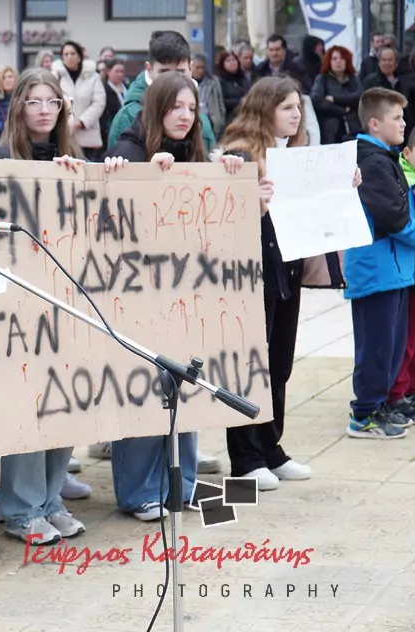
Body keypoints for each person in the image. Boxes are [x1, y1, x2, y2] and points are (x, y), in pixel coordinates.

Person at [102, 72, 243, 520]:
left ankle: (181, 486)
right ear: (156, 109)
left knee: (185, 386)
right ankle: (139, 491)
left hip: (187, 294)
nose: (185, 116)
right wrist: (142, 174)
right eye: (175, 107)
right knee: (145, 391)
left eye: (191, 108)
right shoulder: (129, 150)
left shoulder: (194, 153)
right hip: (139, 294)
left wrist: (230, 173)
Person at [216, 76, 345, 489]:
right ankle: (246, 459)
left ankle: (271, 449)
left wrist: (343, 186)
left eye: (298, 107)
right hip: (250, 274)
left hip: (286, 269)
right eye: (287, 107)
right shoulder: (240, 155)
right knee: (249, 366)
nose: (297, 114)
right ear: (264, 108)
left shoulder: (293, 153)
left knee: (279, 364)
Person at [0, 67, 91, 542]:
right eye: (34, 101)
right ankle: (23, 510)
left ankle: (51, 500)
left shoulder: (75, 156)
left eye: (53, 101)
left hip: (68, 296)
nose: (45, 110)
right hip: (20, 300)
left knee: (63, 402)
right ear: (18, 107)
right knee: (29, 404)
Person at [346, 88, 415, 438]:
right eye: (397, 118)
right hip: (376, 270)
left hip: (393, 271)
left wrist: (414, 200)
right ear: (375, 124)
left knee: (392, 345)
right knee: (377, 347)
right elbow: (393, 219)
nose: (403, 123)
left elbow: (397, 206)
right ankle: (364, 415)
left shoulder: (383, 157)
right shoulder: (372, 161)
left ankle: (383, 404)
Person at [106, 30, 217, 153]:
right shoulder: (128, 116)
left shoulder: (200, 118)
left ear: (190, 69)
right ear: (149, 69)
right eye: (164, 73)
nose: (173, 80)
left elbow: (208, 160)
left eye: (180, 72)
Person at [388, 124, 415, 421]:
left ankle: (414, 388)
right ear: (407, 153)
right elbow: (411, 223)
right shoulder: (407, 182)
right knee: (408, 337)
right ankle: (398, 393)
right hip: (411, 274)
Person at [52, 40, 106, 161]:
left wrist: (82, 122)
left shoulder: (93, 76)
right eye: (66, 54)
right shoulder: (56, 76)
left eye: (72, 53)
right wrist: (67, 122)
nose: (69, 57)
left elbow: (99, 102)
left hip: (88, 135)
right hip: (65, 134)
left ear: (79, 56)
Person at [311, 46, 363, 145]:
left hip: (353, 128)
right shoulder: (322, 79)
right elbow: (317, 100)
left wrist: (335, 99)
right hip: (330, 130)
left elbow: (360, 97)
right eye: (334, 59)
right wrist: (342, 110)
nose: (338, 61)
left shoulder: (353, 79)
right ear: (329, 61)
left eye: (342, 58)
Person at [192, 53, 227, 135]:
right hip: (194, 119)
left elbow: (220, 101)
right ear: (191, 67)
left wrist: (221, 118)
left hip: (211, 119)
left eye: (203, 67)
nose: (200, 71)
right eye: (197, 67)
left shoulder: (213, 81)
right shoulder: (187, 82)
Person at [96, 59, 125, 149]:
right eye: (117, 71)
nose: (120, 74)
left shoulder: (127, 88)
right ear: (108, 72)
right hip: (109, 131)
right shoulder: (103, 90)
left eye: (122, 71)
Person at [216, 51, 248, 123]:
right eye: (228, 61)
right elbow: (220, 102)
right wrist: (239, 101)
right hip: (229, 119)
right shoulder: (220, 81)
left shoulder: (243, 78)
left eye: (234, 60)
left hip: (245, 117)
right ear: (223, 64)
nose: (232, 63)